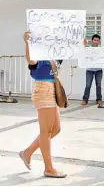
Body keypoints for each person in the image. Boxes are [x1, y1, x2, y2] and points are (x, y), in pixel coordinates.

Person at [19, 31, 66, 178]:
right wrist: (27, 44)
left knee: (56, 128)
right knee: (45, 130)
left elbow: (68, 52)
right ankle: (49, 168)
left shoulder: (55, 53)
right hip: (43, 89)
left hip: (52, 89)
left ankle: (27, 152)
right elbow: (31, 60)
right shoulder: (38, 52)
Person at [81, 34, 103, 106]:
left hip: (98, 70)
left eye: (97, 40)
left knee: (98, 85)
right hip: (89, 69)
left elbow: (103, 59)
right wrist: (84, 44)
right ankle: (85, 99)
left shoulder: (101, 50)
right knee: (88, 85)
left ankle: (99, 99)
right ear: (92, 40)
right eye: (95, 40)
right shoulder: (88, 49)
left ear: (99, 41)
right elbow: (83, 53)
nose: (96, 42)